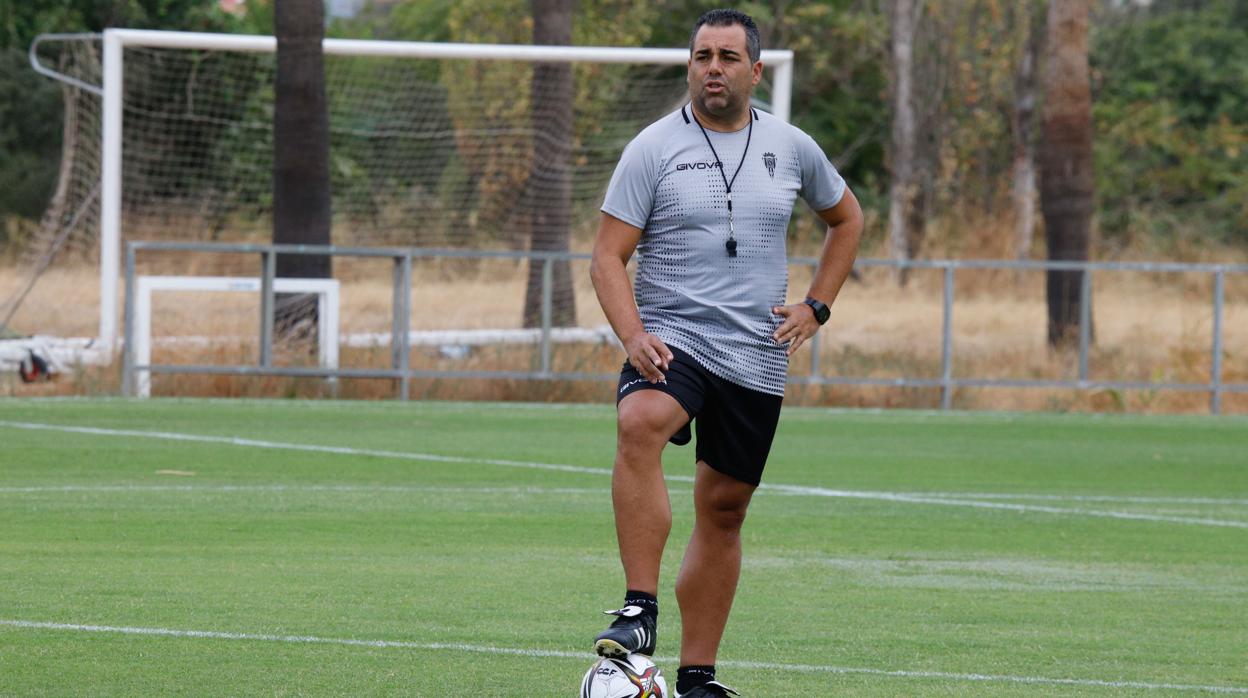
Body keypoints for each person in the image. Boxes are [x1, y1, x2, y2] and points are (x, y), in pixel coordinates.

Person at [588, 8, 863, 697]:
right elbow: (606, 257)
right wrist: (632, 336)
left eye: (728, 58)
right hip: (673, 335)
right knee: (640, 422)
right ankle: (638, 611)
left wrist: (817, 305)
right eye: (702, 56)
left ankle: (699, 679)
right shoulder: (652, 148)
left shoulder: (792, 146)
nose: (713, 68)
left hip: (757, 352)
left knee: (725, 508)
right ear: (690, 66)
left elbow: (847, 218)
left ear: (755, 71)